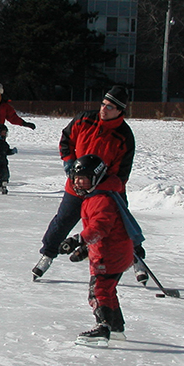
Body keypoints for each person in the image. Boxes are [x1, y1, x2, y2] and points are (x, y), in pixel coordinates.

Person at [31, 85, 148, 283]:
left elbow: (121, 175)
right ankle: (48, 254)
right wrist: (69, 160)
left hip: (106, 191)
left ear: (120, 111)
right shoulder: (84, 119)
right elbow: (66, 140)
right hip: (76, 185)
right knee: (62, 221)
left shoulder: (124, 136)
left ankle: (137, 260)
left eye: (110, 107)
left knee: (123, 225)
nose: (104, 109)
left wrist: (99, 186)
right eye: (103, 104)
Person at [61, 155, 142, 347]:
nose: (79, 182)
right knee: (108, 289)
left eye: (84, 178)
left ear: (96, 177)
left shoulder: (101, 199)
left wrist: (78, 240)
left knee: (98, 291)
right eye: (76, 178)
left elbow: (100, 228)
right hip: (117, 252)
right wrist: (85, 249)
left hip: (110, 255)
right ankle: (116, 328)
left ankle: (102, 327)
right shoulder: (98, 195)